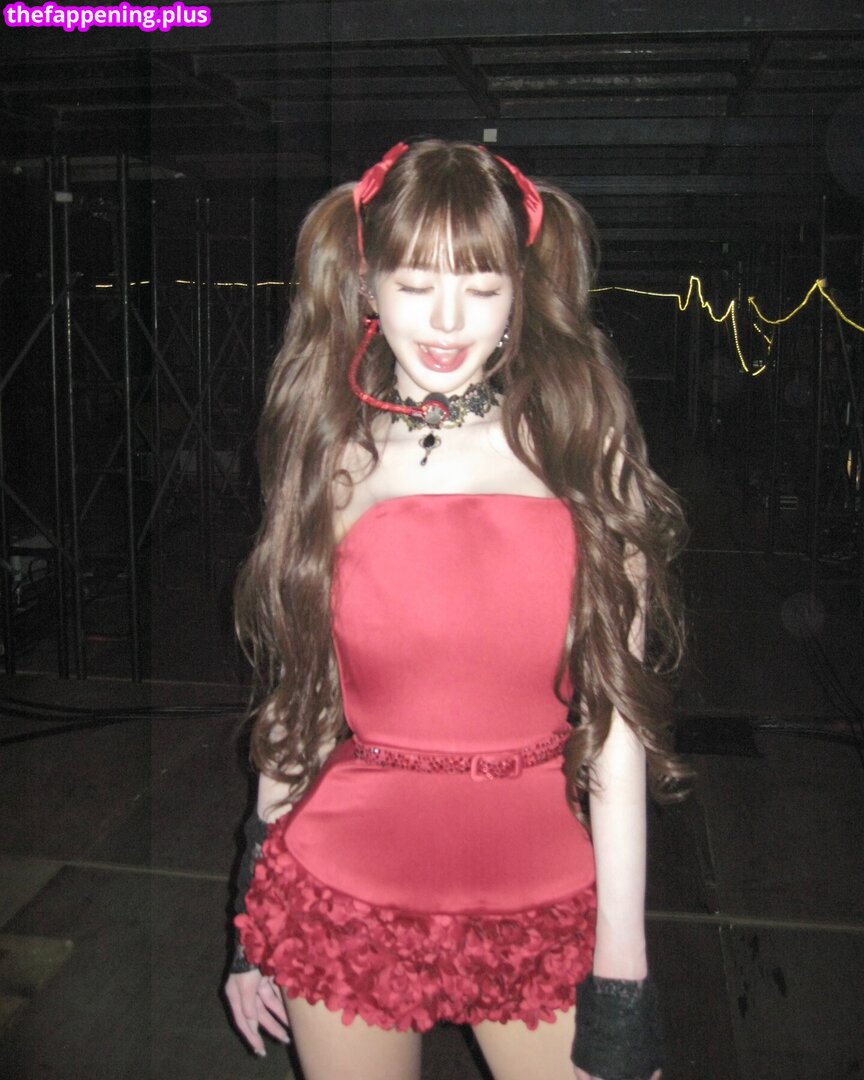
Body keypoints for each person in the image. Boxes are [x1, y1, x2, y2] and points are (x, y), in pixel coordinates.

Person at [223, 138, 687, 1080]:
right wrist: (250, 910)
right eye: (414, 284)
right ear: (366, 287)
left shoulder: (581, 455)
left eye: (480, 288)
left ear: (520, 292)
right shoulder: (334, 462)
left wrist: (623, 971)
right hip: (342, 889)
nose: (445, 321)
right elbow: (302, 706)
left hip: (543, 896)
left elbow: (616, 732)